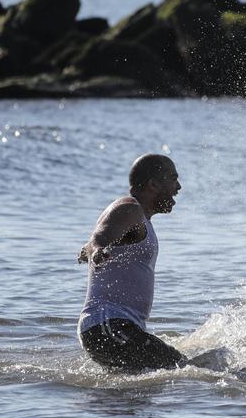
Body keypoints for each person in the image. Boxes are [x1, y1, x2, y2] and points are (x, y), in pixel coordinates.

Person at [77, 153, 187, 372]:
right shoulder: (129, 208)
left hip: (117, 326)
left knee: (140, 391)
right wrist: (97, 249)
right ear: (153, 184)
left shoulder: (141, 219)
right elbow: (100, 236)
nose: (179, 187)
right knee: (183, 370)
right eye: (173, 179)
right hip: (107, 324)